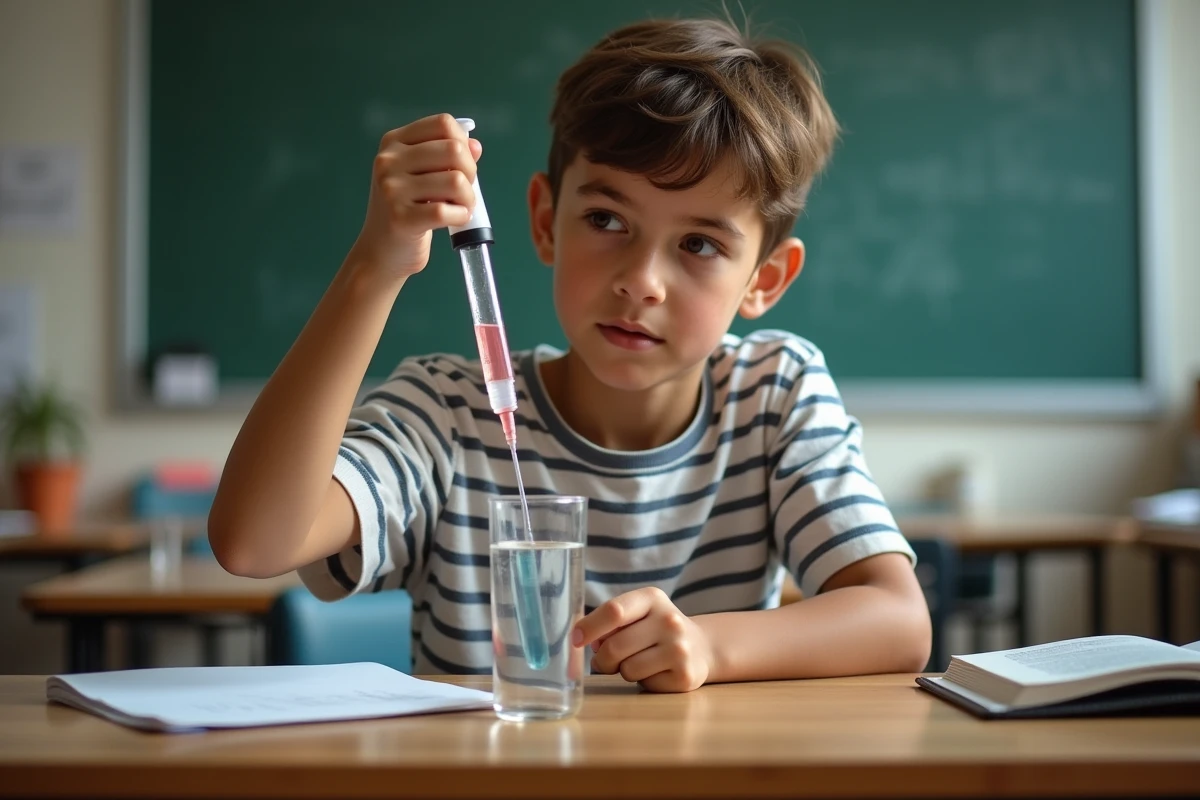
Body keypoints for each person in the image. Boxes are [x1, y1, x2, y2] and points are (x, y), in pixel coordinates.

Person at [209, 16, 931, 691]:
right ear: (546, 221)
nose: (641, 282)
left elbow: (899, 620)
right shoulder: (449, 414)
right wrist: (377, 264)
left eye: (699, 244)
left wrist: (710, 646)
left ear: (764, 280)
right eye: (606, 219)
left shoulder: (772, 394)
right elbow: (253, 543)